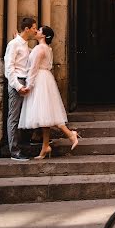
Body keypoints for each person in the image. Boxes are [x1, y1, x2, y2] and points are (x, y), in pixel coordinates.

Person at [18, 25, 79, 159]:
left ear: (44, 35)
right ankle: (45, 146)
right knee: (45, 115)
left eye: (39, 30)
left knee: (46, 114)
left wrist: (29, 85)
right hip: (45, 79)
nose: (37, 31)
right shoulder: (46, 48)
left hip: (40, 80)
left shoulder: (40, 49)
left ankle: (70, 134)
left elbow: (33, 68)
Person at [4, 17, 37, 161]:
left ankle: (24, 144)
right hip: (17, 82)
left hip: (26, 81)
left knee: (27, 116)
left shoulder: (24, 45)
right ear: (27, 29)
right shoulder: (14, 44)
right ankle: (14, 151)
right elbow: (9, 67)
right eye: (34, 28)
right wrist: (17, 86)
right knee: (14, 117)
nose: (35, 30)